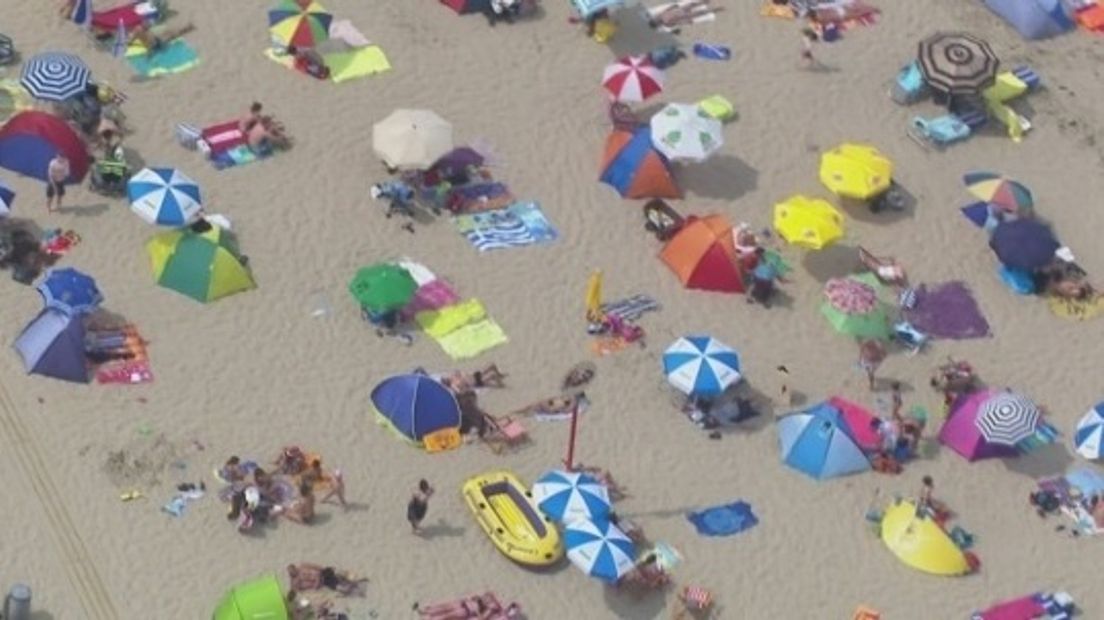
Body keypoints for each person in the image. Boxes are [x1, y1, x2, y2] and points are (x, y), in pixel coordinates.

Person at [287, 563, 367, 596]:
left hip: (323, 573)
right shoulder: (296, 582)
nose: (294, 572)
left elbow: (313, 566)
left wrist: (322, 569)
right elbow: (298, 590)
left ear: (295, 567)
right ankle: (355, 590)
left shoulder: (302, 566)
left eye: (293, 570)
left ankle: (358, 580)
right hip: (323, 582)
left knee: (341, 574)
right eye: (292, 572)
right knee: (340, 588)